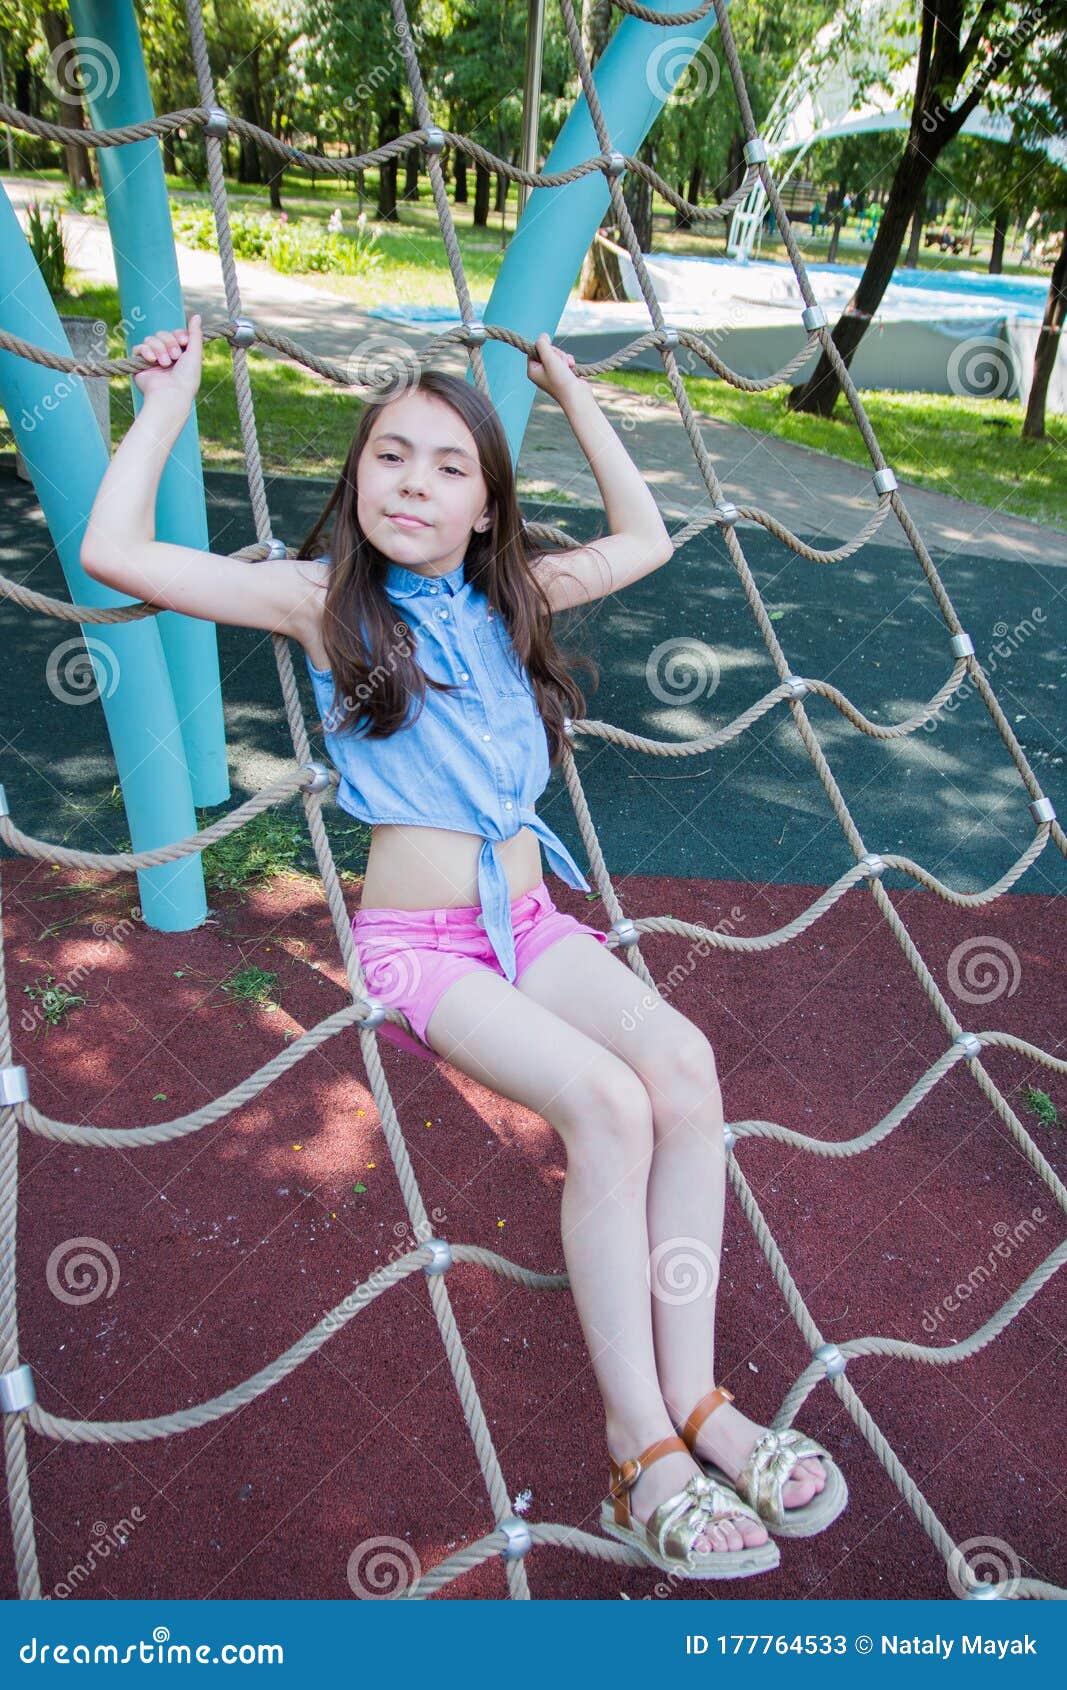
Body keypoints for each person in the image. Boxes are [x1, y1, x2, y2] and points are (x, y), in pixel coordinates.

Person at [80, 314, 846, 1581]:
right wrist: (164, 404)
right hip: (419, 947)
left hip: (531, 922)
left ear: (488, 507)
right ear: (356, 478)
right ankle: (635, 1447)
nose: (412, 482)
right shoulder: (323, 598)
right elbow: (115, 550)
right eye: (389, 455)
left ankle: (701, 1398)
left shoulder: (513, 597)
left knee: (686, 1070)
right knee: (606, 1103)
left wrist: (565, 386)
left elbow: (647, 537)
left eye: (448, 465)